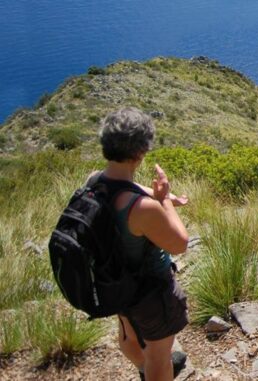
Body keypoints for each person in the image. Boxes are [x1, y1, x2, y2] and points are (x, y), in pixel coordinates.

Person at [93, 107, 190, 381]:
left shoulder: (94, 181)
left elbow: (123, 187)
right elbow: (179, 243)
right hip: (149, 292)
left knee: (128, 332)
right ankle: (153, 368)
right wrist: (167, 200)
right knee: (160, 355)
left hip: (114, 282)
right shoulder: (141, 209)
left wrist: (156, 195)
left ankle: (143, 368)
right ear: (140, 152)